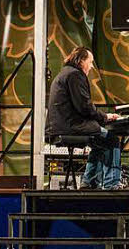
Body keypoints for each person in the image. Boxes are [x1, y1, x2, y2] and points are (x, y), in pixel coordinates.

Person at [45, 46, 122, 190]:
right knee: (111, 139)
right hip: (70, 126)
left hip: (60, 126)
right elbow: (84, 106)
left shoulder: (65, 73)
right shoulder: (75, 75)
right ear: (81, 61)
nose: (91, 66)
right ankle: (112, 184)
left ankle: (90, 182)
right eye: (90, 62)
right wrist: (105, 117)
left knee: (98, 141)